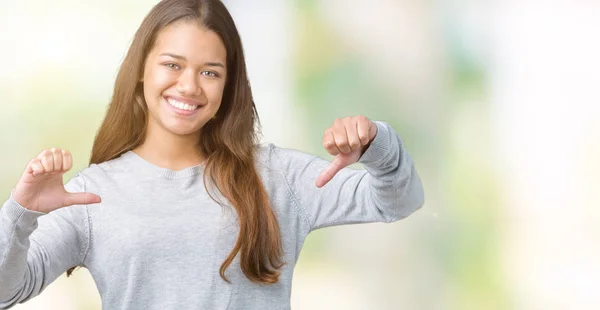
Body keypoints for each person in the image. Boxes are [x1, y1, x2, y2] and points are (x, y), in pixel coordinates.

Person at [0, 0, 424, 309]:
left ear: (228, 86)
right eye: (172, 64)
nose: (189, 86)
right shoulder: (93, 196)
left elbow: (399, 202)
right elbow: (6, 291)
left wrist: (377, 146)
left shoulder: (276, 177)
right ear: (141, 68)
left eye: (210, 72)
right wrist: (20, 213)